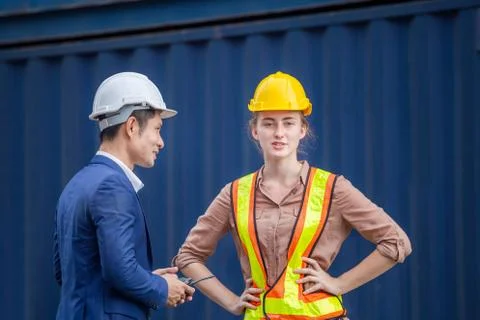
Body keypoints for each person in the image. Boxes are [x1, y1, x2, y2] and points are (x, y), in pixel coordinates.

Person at [173, 71, 412, 319]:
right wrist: (232, 302)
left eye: (288, 122)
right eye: (269, 123)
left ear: (302, 130)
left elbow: (396, 243)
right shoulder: (234, 194)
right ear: (255, 130)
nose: (279, 132)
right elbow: (188, 256)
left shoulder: (332, 188)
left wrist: (339, 284)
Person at [54, 72, 194, 320]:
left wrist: (148, 279)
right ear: (131, 126)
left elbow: (66, 271)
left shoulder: (75, 185)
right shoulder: (112, 186)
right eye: (157, 129)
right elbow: (119, 270)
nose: (161, 142)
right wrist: (162, 288)